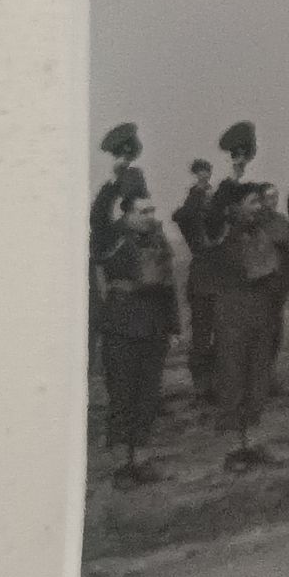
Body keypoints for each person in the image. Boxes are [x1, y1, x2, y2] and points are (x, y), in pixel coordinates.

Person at [91, 186, 178, 488]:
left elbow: (168, 285)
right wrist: (116, 183)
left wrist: (173, 327)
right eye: (143, 211)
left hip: (153, 328)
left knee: (147, 397)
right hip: (122, 328)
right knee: (122, 397)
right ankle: (121, 468)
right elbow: (99, 215)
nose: (150, 216)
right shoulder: (112, 237)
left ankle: (138, 462)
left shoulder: (157, 239)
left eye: (152, 211)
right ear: (126, 214)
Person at [208, 176, 285, 470]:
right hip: (233, 317)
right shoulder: (225, 233)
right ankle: (233, 450)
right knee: (234, 379)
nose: (259, 207)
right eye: (253, 202)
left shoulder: (262, 233)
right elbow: (214, 213)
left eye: (260, 201)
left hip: (261, 314)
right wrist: (233, 176)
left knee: (258, 380)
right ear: (236, 207)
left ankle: (250, 443)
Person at [92, 123, 148, 374]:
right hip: (121, 305)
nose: (123, 160)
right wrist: (115, 182)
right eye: (118, 156)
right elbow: (99, 223)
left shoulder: (137, 182)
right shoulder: (108, 201)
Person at [171, 158, 220, 402]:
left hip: (220, 280)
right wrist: (198, 195)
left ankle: (217, 383)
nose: (205, 176)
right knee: (202, 334)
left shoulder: (215, 210)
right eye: (201, 172)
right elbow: (182, 214)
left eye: (207, 171)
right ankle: (202, 386)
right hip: (202, 280)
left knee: (221, 333)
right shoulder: (189, 211)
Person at [257, 182, 289, 395]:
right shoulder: (256, 221)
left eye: (275, 196)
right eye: (269, 197)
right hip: (261, 286)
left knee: (275, 333)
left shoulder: (281, 221)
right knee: (261, 333)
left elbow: (288, 254)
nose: (273, 200)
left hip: (278, 285)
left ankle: (269, 377)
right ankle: (259, 380)